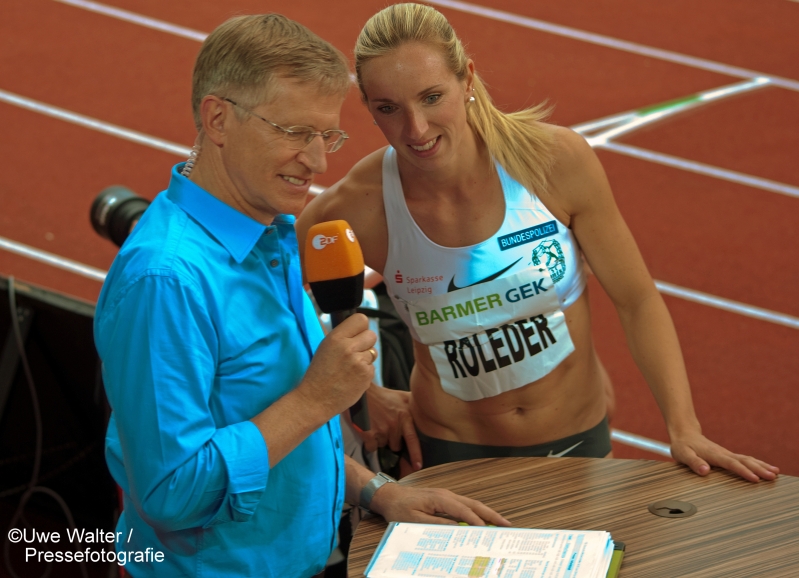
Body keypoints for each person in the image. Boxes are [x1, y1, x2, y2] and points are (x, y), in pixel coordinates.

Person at [95, 14, 508, 578]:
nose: (317, 162)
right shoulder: (166, 281)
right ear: (218, 118)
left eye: (326, 136)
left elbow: (269, 435)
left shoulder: (270, 232)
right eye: (293, 133)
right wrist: (318, 398)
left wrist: (376, 492)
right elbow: (172, 493)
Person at [296, 3, 779, 482]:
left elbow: (635, 299)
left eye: (431, 97)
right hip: (449, 451)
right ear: (368, 108)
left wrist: (684, 426)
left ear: (467, 78)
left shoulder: (553, 163)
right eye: (388, 109)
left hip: (577, 441)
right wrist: (362, 395)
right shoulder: (353, 208)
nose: (416, 129)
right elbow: (275, 315)